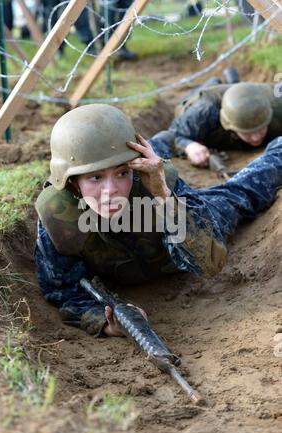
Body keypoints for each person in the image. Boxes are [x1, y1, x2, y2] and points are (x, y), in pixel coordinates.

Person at [34, 104, 282, 337]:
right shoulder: (59, 212)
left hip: (181, 217)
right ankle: (162, 141)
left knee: (240, 194)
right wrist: (103, 322)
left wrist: (164, 196)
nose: (111, 190)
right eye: (96, 178)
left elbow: (207, 263)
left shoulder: (159, 182)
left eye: (122, 173)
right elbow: (63, 291)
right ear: (72, 182)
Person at [150, 82, 282, 167]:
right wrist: (188, 145)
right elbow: (173, 134)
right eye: (247, 132)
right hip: (203, 99)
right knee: (204, 89)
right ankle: (215, 81)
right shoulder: (204, 111)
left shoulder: (275, 104)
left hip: (244, 93)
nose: (256, 138)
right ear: (228, 124)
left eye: (260, 129)